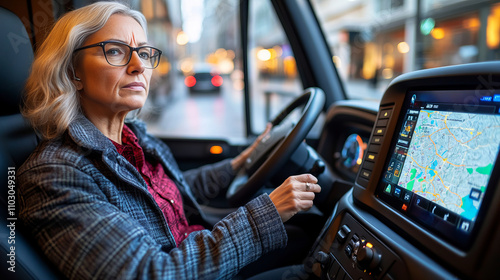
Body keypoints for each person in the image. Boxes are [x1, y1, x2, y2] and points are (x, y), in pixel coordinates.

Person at [18, 2, 321, 279]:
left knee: (310, 233)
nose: (139, 65)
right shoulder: (53, 175)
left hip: (202, 252)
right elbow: (152, 273)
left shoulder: (132, 138)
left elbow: (165, 193)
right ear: (72, 71)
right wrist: (266, 212)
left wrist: (241, 162)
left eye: (144, 52)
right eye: (114, 50)